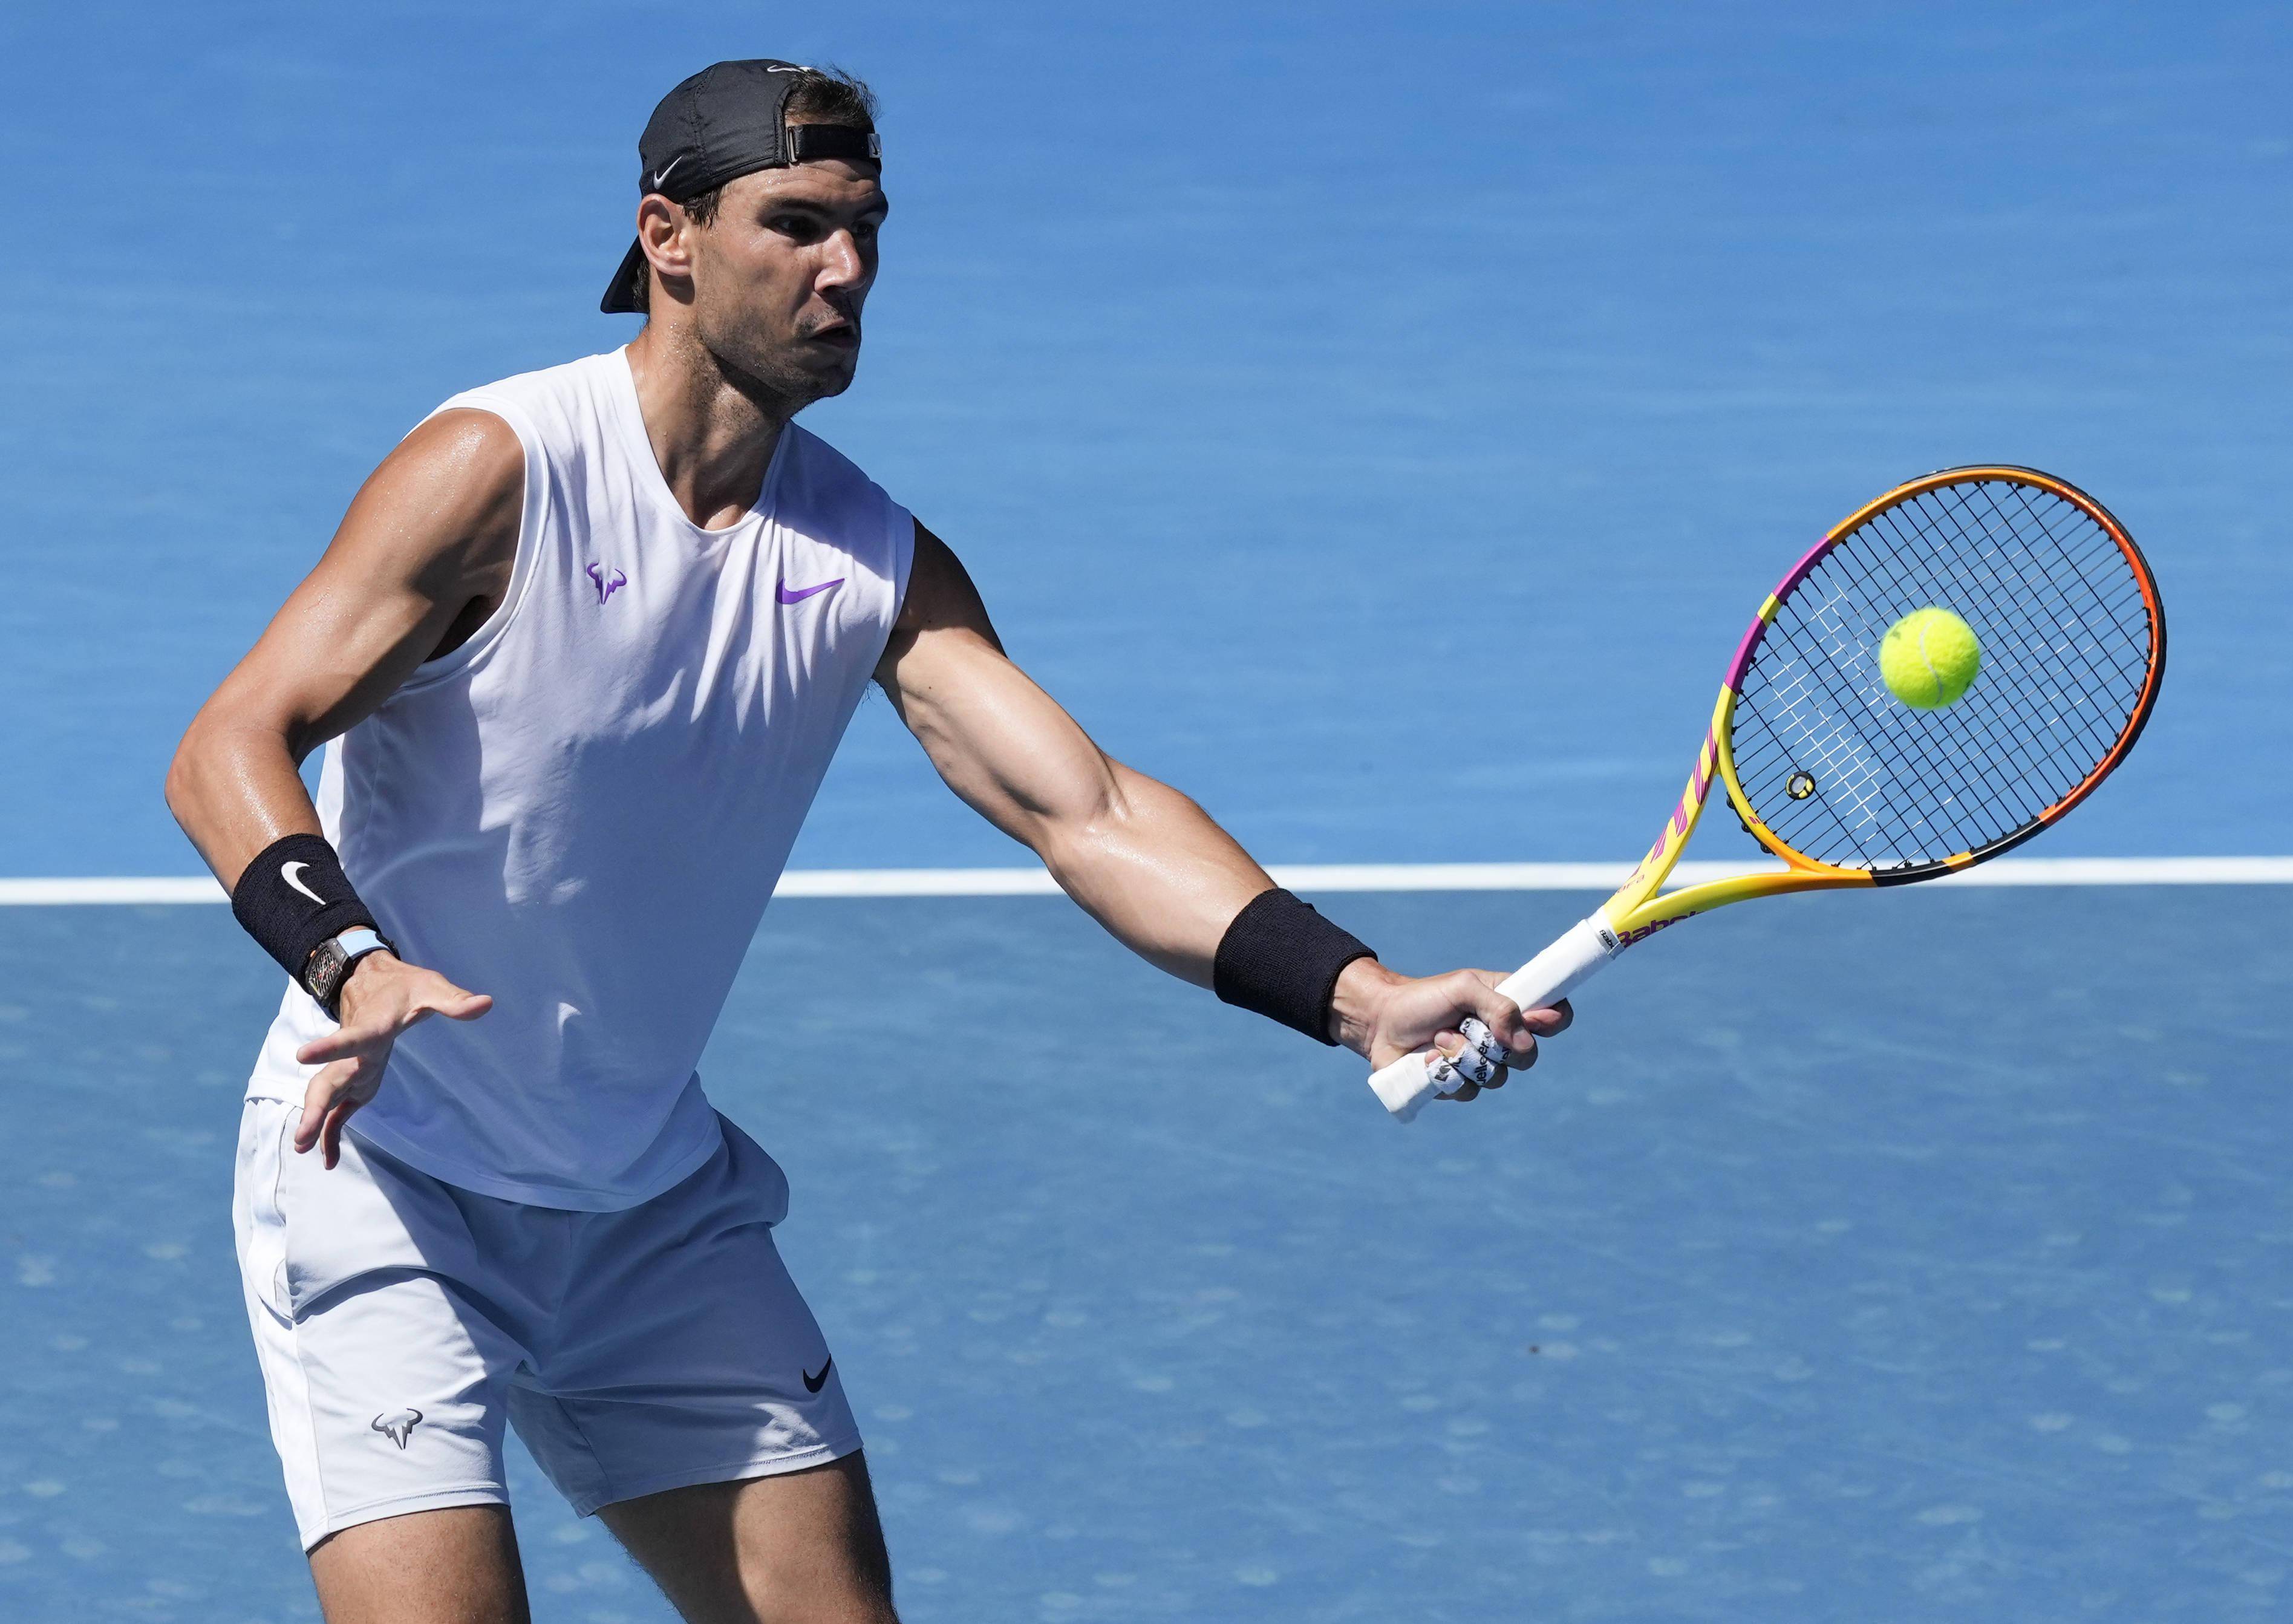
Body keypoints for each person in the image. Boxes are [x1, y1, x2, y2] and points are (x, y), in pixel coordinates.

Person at [166, 59, 1569, 1624]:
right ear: (669, 235)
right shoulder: (500, 470)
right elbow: (229, 742)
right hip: (387, 1176)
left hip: (646, 1210)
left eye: (863, 229)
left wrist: (1354, 991)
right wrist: (351, 965)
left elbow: (1085, 809)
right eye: (796, 225)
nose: (844, 271)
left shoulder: (870, 560)